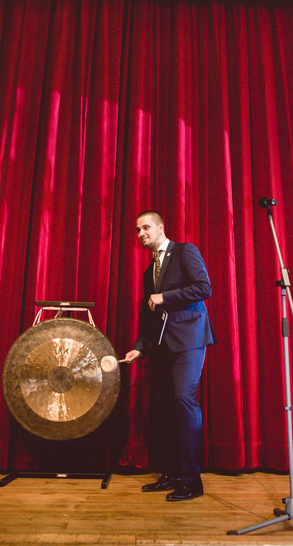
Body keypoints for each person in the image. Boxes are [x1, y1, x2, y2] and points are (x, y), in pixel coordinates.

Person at [122, 211, 215, 501]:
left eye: (145, 227)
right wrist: (139, 346)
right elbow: (147, 313)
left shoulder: (185, 251)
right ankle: (173, 473)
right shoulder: (148, 271)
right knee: (165, 410)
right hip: (162, 345)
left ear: (161, 227)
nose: (141, 234)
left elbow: (204, 288)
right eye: (138, 230)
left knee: (184, 401)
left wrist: (166, 297)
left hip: (189, 340)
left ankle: (192, 481)